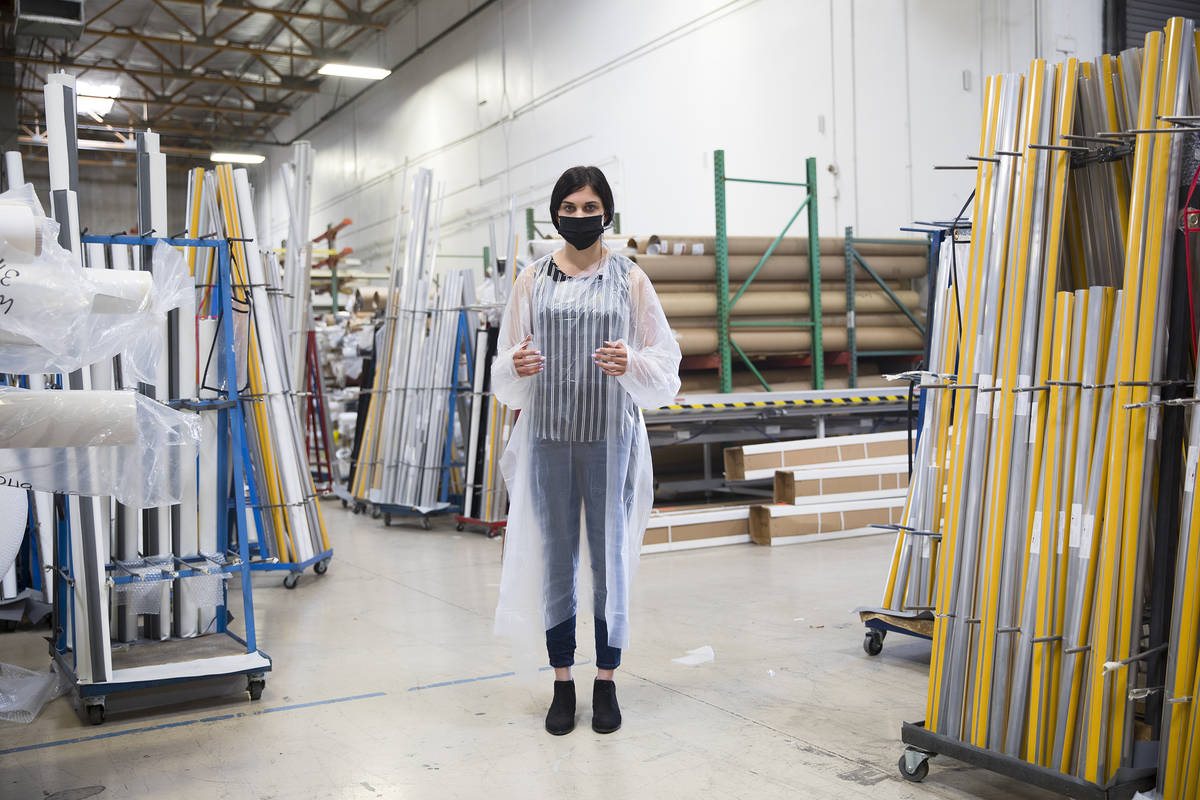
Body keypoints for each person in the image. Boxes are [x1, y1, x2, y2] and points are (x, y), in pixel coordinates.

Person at [491, 165, 681, 735]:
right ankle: (561, 682)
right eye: (568, 208)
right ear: (555, 214)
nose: (578, 217)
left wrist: (633, 363)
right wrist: (515, 367)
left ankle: (606, 681)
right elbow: (505, 364)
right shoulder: (530, 280)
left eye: (588, 207)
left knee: (609, 561)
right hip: (547, 437)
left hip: (609, 439)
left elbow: (665, 363)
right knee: (555, 560)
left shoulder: (630, 280)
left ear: (607, 212)